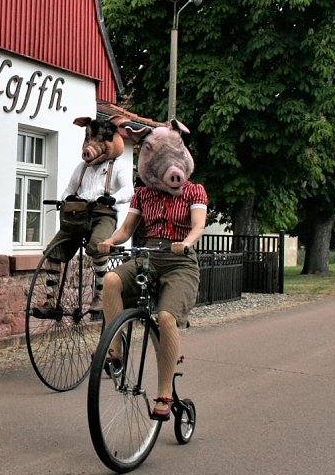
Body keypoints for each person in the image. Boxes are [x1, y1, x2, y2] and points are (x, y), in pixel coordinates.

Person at [96, 120, 207, 421]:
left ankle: (165, 394)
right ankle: (115, 348)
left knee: (167, 317)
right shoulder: (143, 195)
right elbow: (126, 229)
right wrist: (110, 241)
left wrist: (186, 242)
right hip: (149, 256)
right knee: (111, 280)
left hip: (180, 261)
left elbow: (198, 225)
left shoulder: (194, 191)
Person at [33, 117, 134, 317]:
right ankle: (50, 301)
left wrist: (113, 199)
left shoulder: (118, 166)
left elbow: (128, 190)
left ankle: (100, 294)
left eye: (97, 140)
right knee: (53, 251)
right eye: (88, 140)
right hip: (78, 215)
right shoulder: (81, 168)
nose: (90, 145)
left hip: (103, 215)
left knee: (98, 245)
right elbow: (68, 190)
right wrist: (68, 198)